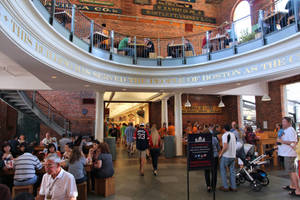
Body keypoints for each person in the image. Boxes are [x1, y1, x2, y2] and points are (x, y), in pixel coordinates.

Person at [277, 117, 299, 196]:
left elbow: (293, 142)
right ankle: (292, 186)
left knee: (292, 172)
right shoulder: (285, 130)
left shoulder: (290, 130)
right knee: (290, 171)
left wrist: (282, 141)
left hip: (289, 154)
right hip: (286, 153)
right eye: (282, 121)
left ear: (289, 123)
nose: (283, 123)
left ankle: (297, 190)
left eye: (284, 122)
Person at [219, 124, 237, 192]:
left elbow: (225, 146)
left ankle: (225, 186)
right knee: (232, 171)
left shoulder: (225, 135)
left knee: (223, 170)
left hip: (226, 155)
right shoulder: (233, 134)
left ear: (224, 129)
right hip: (233, 155)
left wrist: (221, 154)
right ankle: (233, 187)